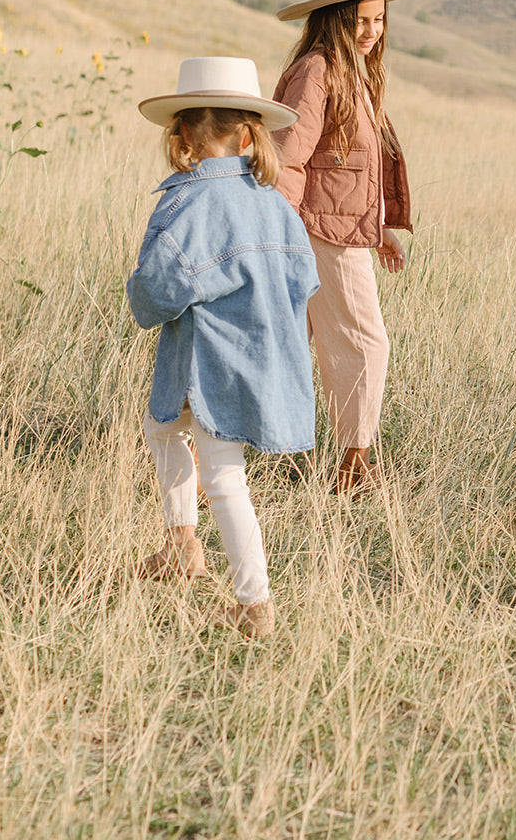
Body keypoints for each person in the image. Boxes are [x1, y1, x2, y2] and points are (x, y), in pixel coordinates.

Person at [129, 57, 320, 638]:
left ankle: (254, 600)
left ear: (182, 135)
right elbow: (304, 281)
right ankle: (182, 541)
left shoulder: (186, 205)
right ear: (247, 133)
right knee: (162, 427)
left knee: (223, 474)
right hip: (260, 360)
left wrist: (147, 294)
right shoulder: (275, 205)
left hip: (208, 364)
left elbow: (153, 295)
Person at [271, 0, 422, 494]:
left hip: (336, 229)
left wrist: (379, 227)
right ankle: (354, 464)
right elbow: (287, 155)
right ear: (333, 19)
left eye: (379, 19)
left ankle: (235, 451)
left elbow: (355, 167)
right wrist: (281, 230)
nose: (372, 31)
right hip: (318, 232)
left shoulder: (353, 72)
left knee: (286, 342)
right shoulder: (317, 72)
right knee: (365, 341)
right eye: (361, 20)